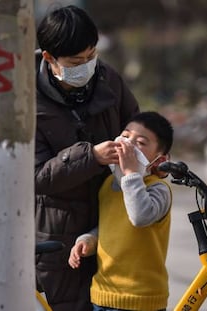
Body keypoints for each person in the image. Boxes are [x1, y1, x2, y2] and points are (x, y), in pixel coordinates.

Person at [34, 5, 140, 311]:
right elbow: (36, 176)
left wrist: (150, 152)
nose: (87, 65)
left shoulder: (109, 80)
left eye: (91, 56)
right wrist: (90, 156)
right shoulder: (28, 103)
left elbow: (137, 124)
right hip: (60, 236)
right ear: (49, 58)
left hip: (113, 223)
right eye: (76, 61)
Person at [68, 111, 174, 311]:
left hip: (141, 298)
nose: (128, 145)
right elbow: (110, 226)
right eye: (125, 137)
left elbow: (140, 217)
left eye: (141, 143)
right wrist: (88, 240)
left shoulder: (158, 188)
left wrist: (131, 173)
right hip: (103, 294)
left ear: (159, 161)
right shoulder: (109, 184)